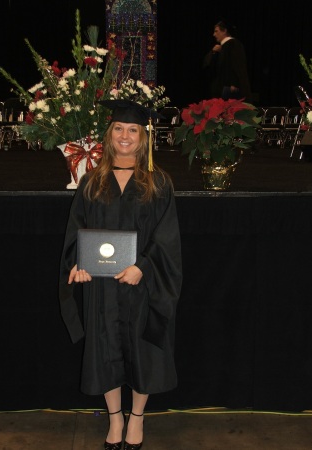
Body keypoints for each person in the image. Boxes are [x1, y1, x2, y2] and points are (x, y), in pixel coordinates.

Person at [58, 99, 183, 450]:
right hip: (102, 287)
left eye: (133, 130)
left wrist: (143, 266)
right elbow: (76, 230)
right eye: (118, 129)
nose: (125, 136)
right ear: (109, 134)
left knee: (142, 350)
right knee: (105, 349)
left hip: (142, 284)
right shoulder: (92, 182)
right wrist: (78, 265)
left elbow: (167, 236)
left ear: (144, 137)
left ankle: (137, 419)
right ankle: (115, 419)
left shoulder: (158, 182)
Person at [203, 19, 252, 102]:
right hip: (221, 88)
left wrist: (234, 83)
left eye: (216, 31)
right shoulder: (219, 48)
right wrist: (213, 53)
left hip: (230, 89)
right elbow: (207, 65)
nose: (214, 34)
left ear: (224, 31)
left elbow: (238, 65)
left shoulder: (233, 44)